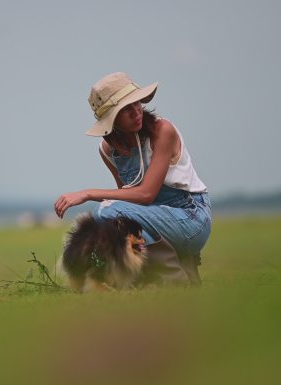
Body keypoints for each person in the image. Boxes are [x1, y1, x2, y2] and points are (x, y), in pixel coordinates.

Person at [54, 72, 212, 286]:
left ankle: (175, 278)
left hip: (192, 218)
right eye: (125, 109)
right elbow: (128, 202)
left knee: (107, 211)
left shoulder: (163, 131)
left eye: (136, 103)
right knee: (117, 221)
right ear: (111, 121)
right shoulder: (107, 150)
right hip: (155, 218)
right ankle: (164, 276)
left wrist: (88, 194)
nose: (136, 112)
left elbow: (145, 195)